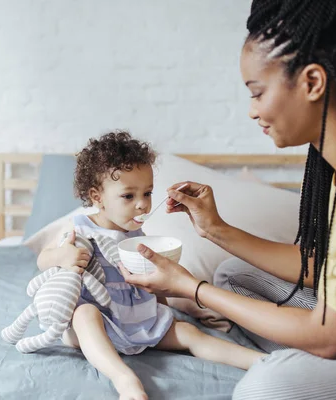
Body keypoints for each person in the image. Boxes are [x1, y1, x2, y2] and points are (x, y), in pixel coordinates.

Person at [121, 1, 336, 399]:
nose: (252, 112)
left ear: (313, 82)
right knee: (233, 274)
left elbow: (332, 336)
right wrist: (215, 229)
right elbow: (325, 266)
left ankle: (302, 371)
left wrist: (190, 287)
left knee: (263, 388)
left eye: (258, 93)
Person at [37, 132, 264, 400]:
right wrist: (63, 257)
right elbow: (43, 258)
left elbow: (152, 283)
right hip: (98, 322)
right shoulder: (79, 228)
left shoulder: (137, 237)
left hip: (136, 319)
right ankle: (124, 378)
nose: (142, 204)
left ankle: (262, 361)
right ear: (97, 197)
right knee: (85, 315)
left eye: (147, 193)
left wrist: (162, 310)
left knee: (188, 331)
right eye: (128, 196)